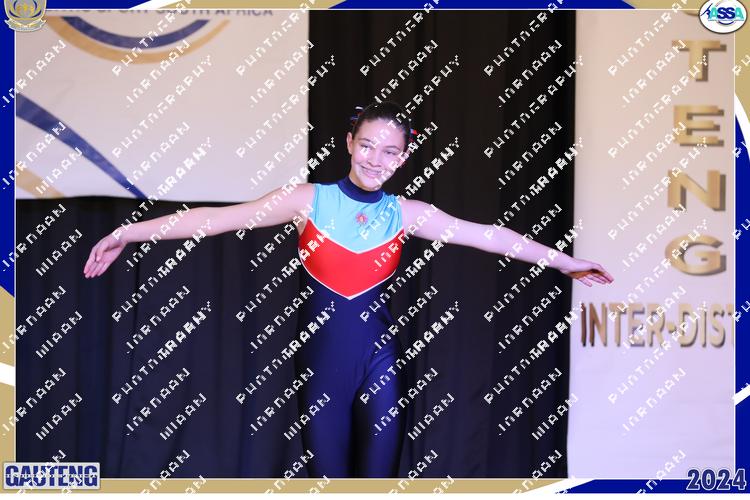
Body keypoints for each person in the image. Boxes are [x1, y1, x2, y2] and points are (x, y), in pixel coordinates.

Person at [83, 101, 614, 478]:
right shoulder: (306, 200)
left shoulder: (407, 213)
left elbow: (489, 236)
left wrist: (565, 262)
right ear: (349, 144)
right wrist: (127, 232)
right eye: (367, 146)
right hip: (322, 369)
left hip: (379, 363)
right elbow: (213, 220)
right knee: (331, 483)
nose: (376, 160)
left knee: (379, 482)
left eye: (390, 152)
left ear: (403, 158)